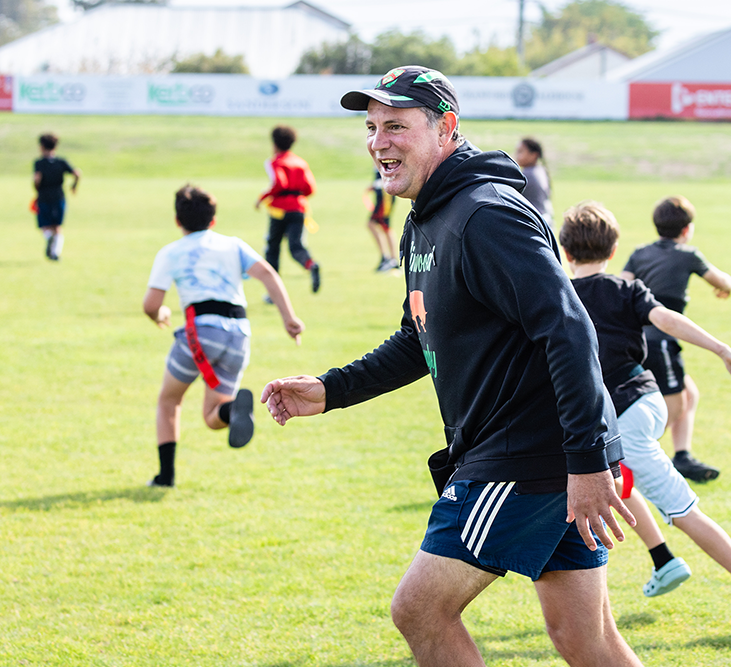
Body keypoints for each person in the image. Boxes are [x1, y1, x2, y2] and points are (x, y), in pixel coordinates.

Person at [261, 66, 643, 667]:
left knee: (419, 609)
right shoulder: (424, 219)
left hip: (524, 456)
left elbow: (569, 329)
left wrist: (588, 461)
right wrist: (331, 390)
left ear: (446, 128)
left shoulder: (486, 215)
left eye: (396, 126)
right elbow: (418, 338)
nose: (378, 142)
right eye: (371, 127)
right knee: (583, 637)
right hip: (538, 457)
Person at [561, 200, 731, 640]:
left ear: (566, 252)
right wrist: (723, 350)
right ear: (613, 250)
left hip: (622, 420)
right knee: (611, 480)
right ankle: (663, 560)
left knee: (682, 510)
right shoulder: (627, 289)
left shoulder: (561, 296)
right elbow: (667, 319)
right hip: (647, 402)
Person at [144, 185, 305, 488]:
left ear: (177, 221)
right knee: (211, 416)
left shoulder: (171, 252)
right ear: (213, 219)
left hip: (201, 333)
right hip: (238, 334)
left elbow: (151, 305)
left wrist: (160, 315)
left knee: (169, 400)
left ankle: (165, 477)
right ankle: (232, 411)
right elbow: (267, 274)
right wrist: (289, 318)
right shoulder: (233, 245)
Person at [621, 195, 731, 483]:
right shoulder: (689, 255)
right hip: (661, 341)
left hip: (635, 339)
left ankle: (682, 455)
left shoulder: (639, 253)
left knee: (689, 393)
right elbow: (721, 281)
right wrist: (728, 287)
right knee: (674, 407)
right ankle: (627, 457)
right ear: (687, 229)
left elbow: (622, 285)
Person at [255, 125, 321, 293]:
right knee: (296, 246)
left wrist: (262, 198)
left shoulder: (275, 162)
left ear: (274, 143)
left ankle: (272, 291)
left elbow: (279, 183)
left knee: (273, 248)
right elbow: (310, 188)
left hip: (279, 211)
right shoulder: (300, 162)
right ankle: (311, 264)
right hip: (299, 209)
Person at [33, 133, 80, 261]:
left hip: (44, 197)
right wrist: (74, 186)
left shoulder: (39, 163)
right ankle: (55, 253)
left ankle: (49, 238)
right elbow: (77, 173)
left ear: (41, 146)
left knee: (45, 225)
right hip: (59, 196)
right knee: (57, 226)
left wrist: (36, 188)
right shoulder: (61, 162)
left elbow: (37, 179)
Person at [514, 137, 553, 226]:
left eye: (521, 152)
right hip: (545, 218)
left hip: (534, 221)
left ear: (534, 155)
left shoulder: (527, 174)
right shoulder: (541, 170)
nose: (517, 155)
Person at [366, 169, 399, 271]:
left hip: (385, 195)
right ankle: (389, 259)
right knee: (381, 226)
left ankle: (389, 259)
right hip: (382, 193)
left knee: (380, 225)